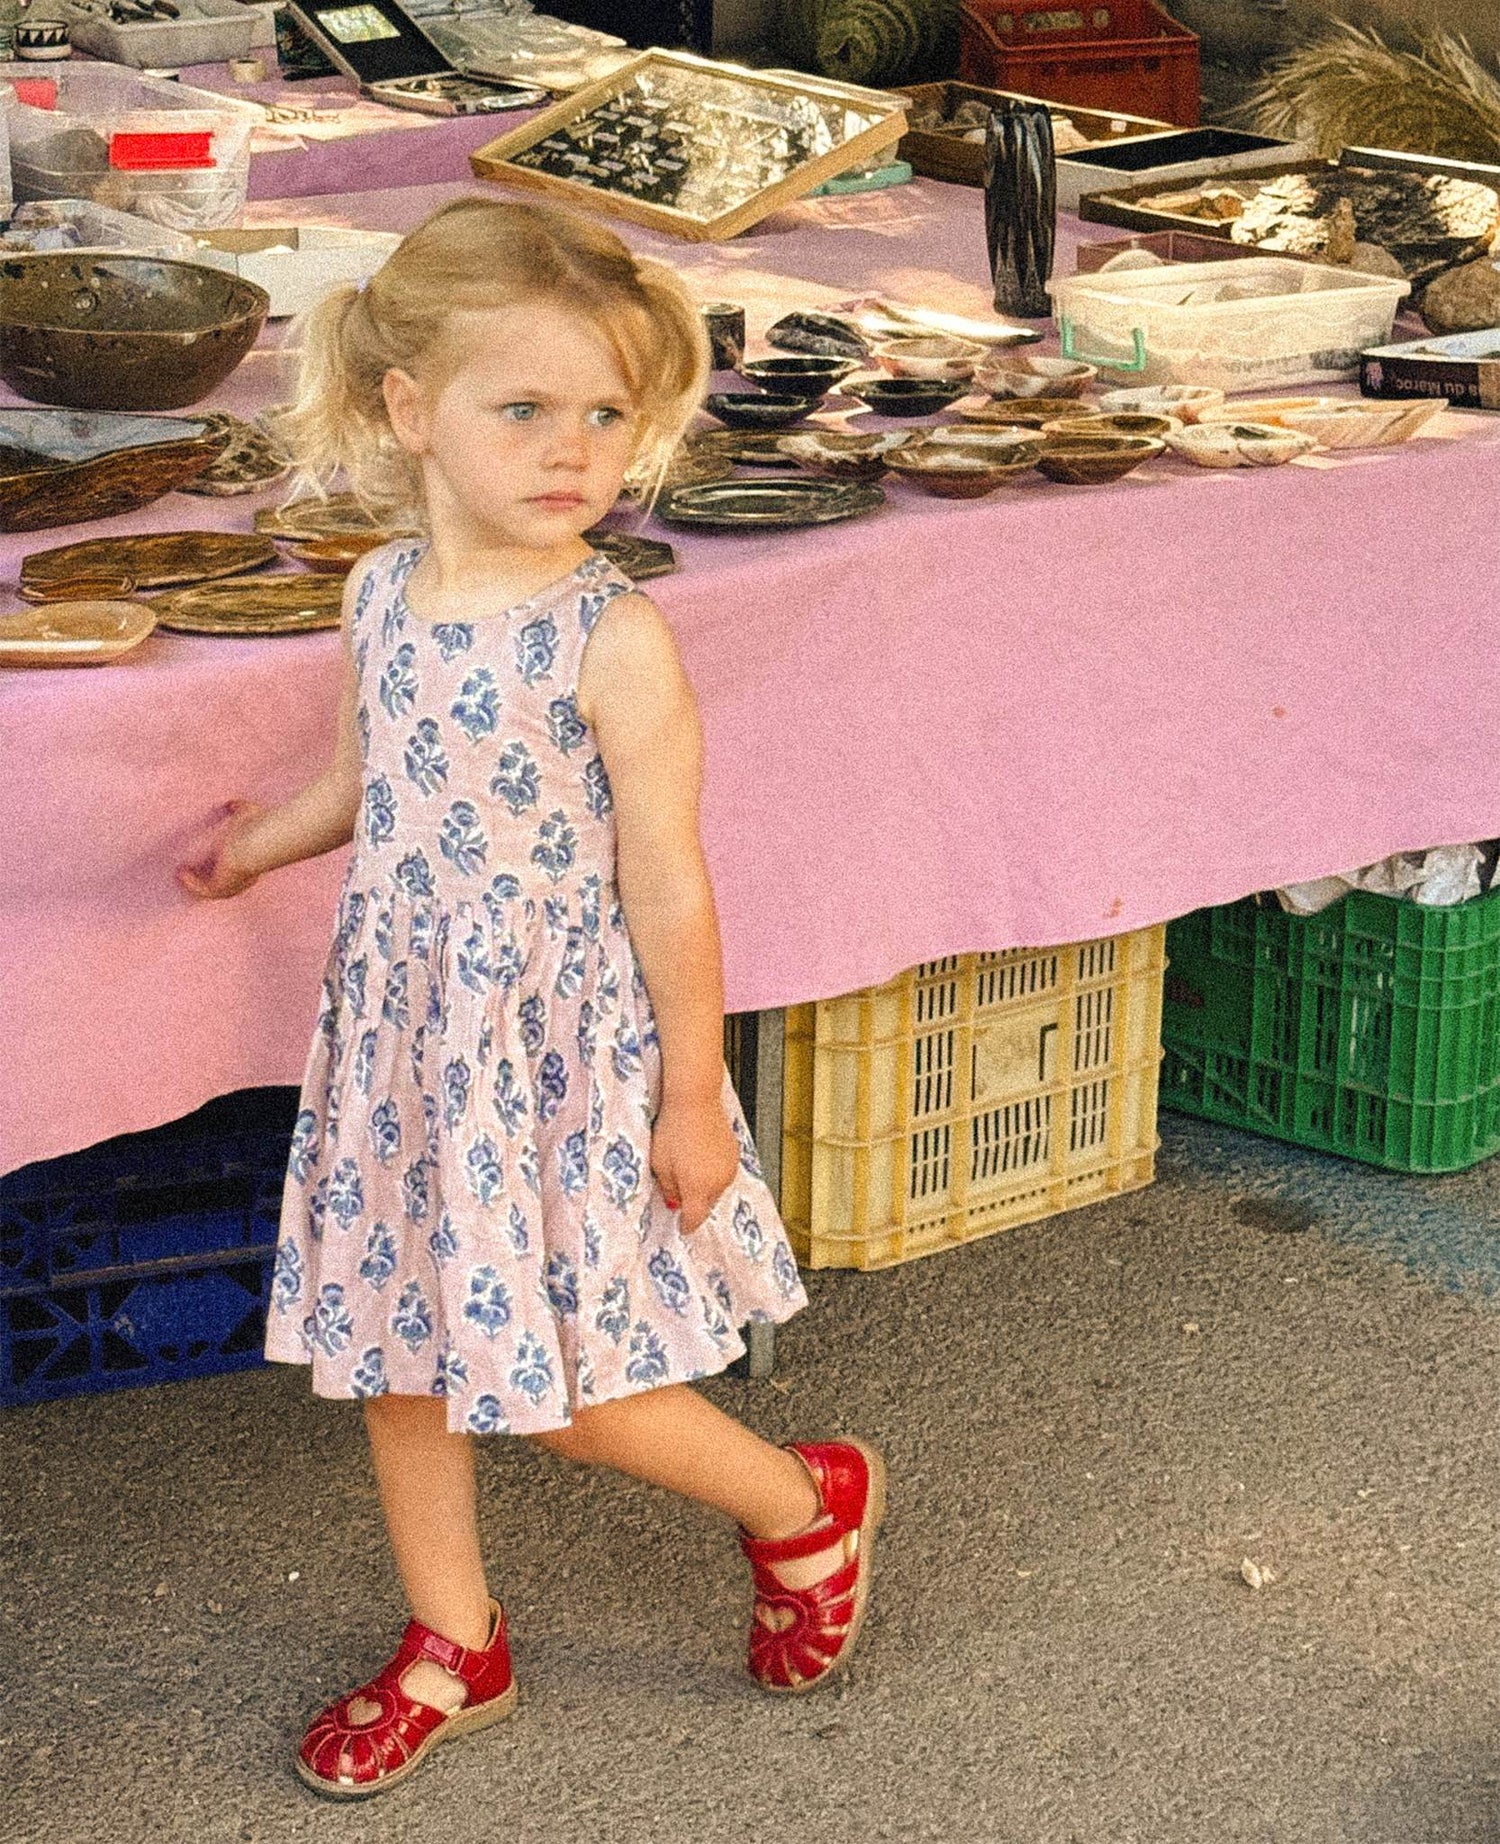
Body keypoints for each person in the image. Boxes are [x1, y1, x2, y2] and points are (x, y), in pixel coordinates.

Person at [178, 197, 885, 1800]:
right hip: (406, 1041)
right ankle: (452, 1638)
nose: (575, 452)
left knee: (564, 1383)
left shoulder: (609, 634)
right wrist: (250, 852)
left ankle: (799, 1501)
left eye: (605, 415)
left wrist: (693, 1095)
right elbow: (368, 780)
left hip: (557, 1054)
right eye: (524, 409)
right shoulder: (377, 596)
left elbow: (670, 881)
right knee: (397, 1352)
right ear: (405, 409)